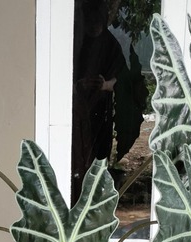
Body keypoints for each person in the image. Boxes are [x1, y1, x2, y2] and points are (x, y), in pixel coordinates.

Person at [71, 0, 125, 206]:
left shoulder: (111, 45)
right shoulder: (74, 41)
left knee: (98, 161)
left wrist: (105, 85)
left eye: (98, 19)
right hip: (75, 116)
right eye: (90, 18)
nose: (94, 23)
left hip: (100, 115)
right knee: (76, 161)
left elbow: (123, 80)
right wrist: (79, 86)